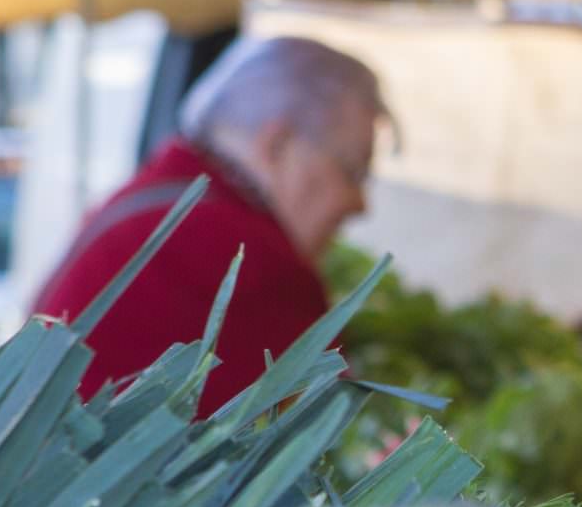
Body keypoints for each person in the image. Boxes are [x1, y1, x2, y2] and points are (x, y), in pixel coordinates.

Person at [31, 36, 388, 415]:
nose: (359, 204)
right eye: (354, 172)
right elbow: (326, 437)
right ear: (278, 146)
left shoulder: (164, 198)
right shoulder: (240, 253)